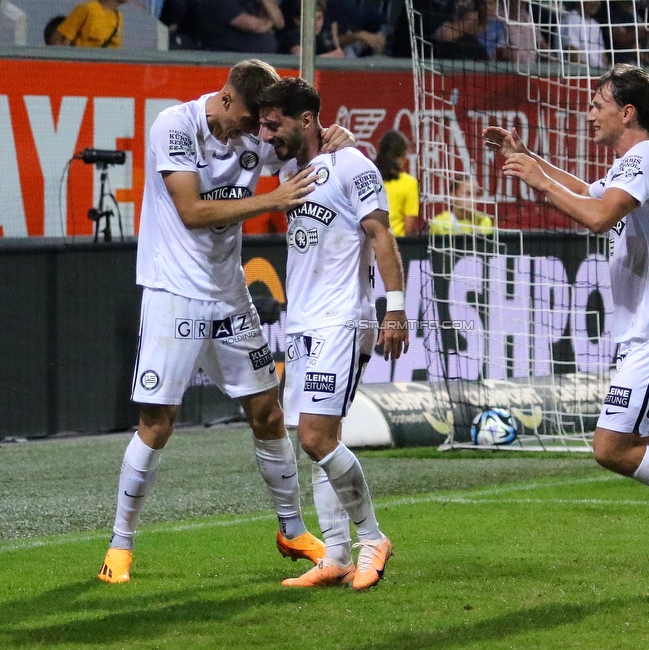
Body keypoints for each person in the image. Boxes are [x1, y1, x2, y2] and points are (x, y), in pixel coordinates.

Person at [484, 64, 649, 592]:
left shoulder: (647, 157)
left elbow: (599, 216)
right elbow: (587, 190)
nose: (589, 112)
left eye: (597, 102)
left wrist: (535, 177)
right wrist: (527, 158)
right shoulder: (636, 164)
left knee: (610, 447)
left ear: (627, 112)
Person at [97, 59, 357, 585]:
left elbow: (296, 147)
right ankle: (119, 546)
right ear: (225, 97)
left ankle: (291, 529)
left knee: (267, 412)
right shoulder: (175, 125)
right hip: (174, 293)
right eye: (250, 119)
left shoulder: (256, 131)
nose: (256, 133)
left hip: (229, 295)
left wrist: (332, 140)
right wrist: (271, 198)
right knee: (158, 423)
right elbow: (191, 211)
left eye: (264, 122)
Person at [256, 77, 409, 590]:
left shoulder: (353, 165)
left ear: (306, 120)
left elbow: (381, 235)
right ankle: (337, 554)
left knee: (316, 436)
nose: (266, 131)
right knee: (319, 441)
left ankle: (372, 539)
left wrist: (395, 310)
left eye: (274, 123)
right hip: (302, 324)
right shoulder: (288, 168)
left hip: (343, 319)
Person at [375, 130, 421, 236]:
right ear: (404, 155)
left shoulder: (369, 178)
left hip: (370, 244)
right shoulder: (409, 183)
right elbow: (408, 228)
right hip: (396, 243)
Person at [197, 0, 284, 54]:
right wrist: (271, 20)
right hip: (226, 60)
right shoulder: (220, 2)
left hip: (256, 63)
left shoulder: (251, 2)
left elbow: (280, 23)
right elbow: (252, 25)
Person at [429, 178, 494, 235]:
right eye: (468, 194)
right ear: (453, 196)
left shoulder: (484, 221)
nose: (473, 199)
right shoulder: (439, 223)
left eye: (475, 195)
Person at [55, 0, 128, 48]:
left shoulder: (118, 16)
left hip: (108, 66)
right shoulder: (86, 9)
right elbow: (63, 42)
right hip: (83, 64)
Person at [561, 0, 608, 68]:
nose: (595, 2)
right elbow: (573, 58)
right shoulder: (571, 20)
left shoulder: (595, 25)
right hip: (576, 74)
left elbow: (603, 57)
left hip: (597, 73)